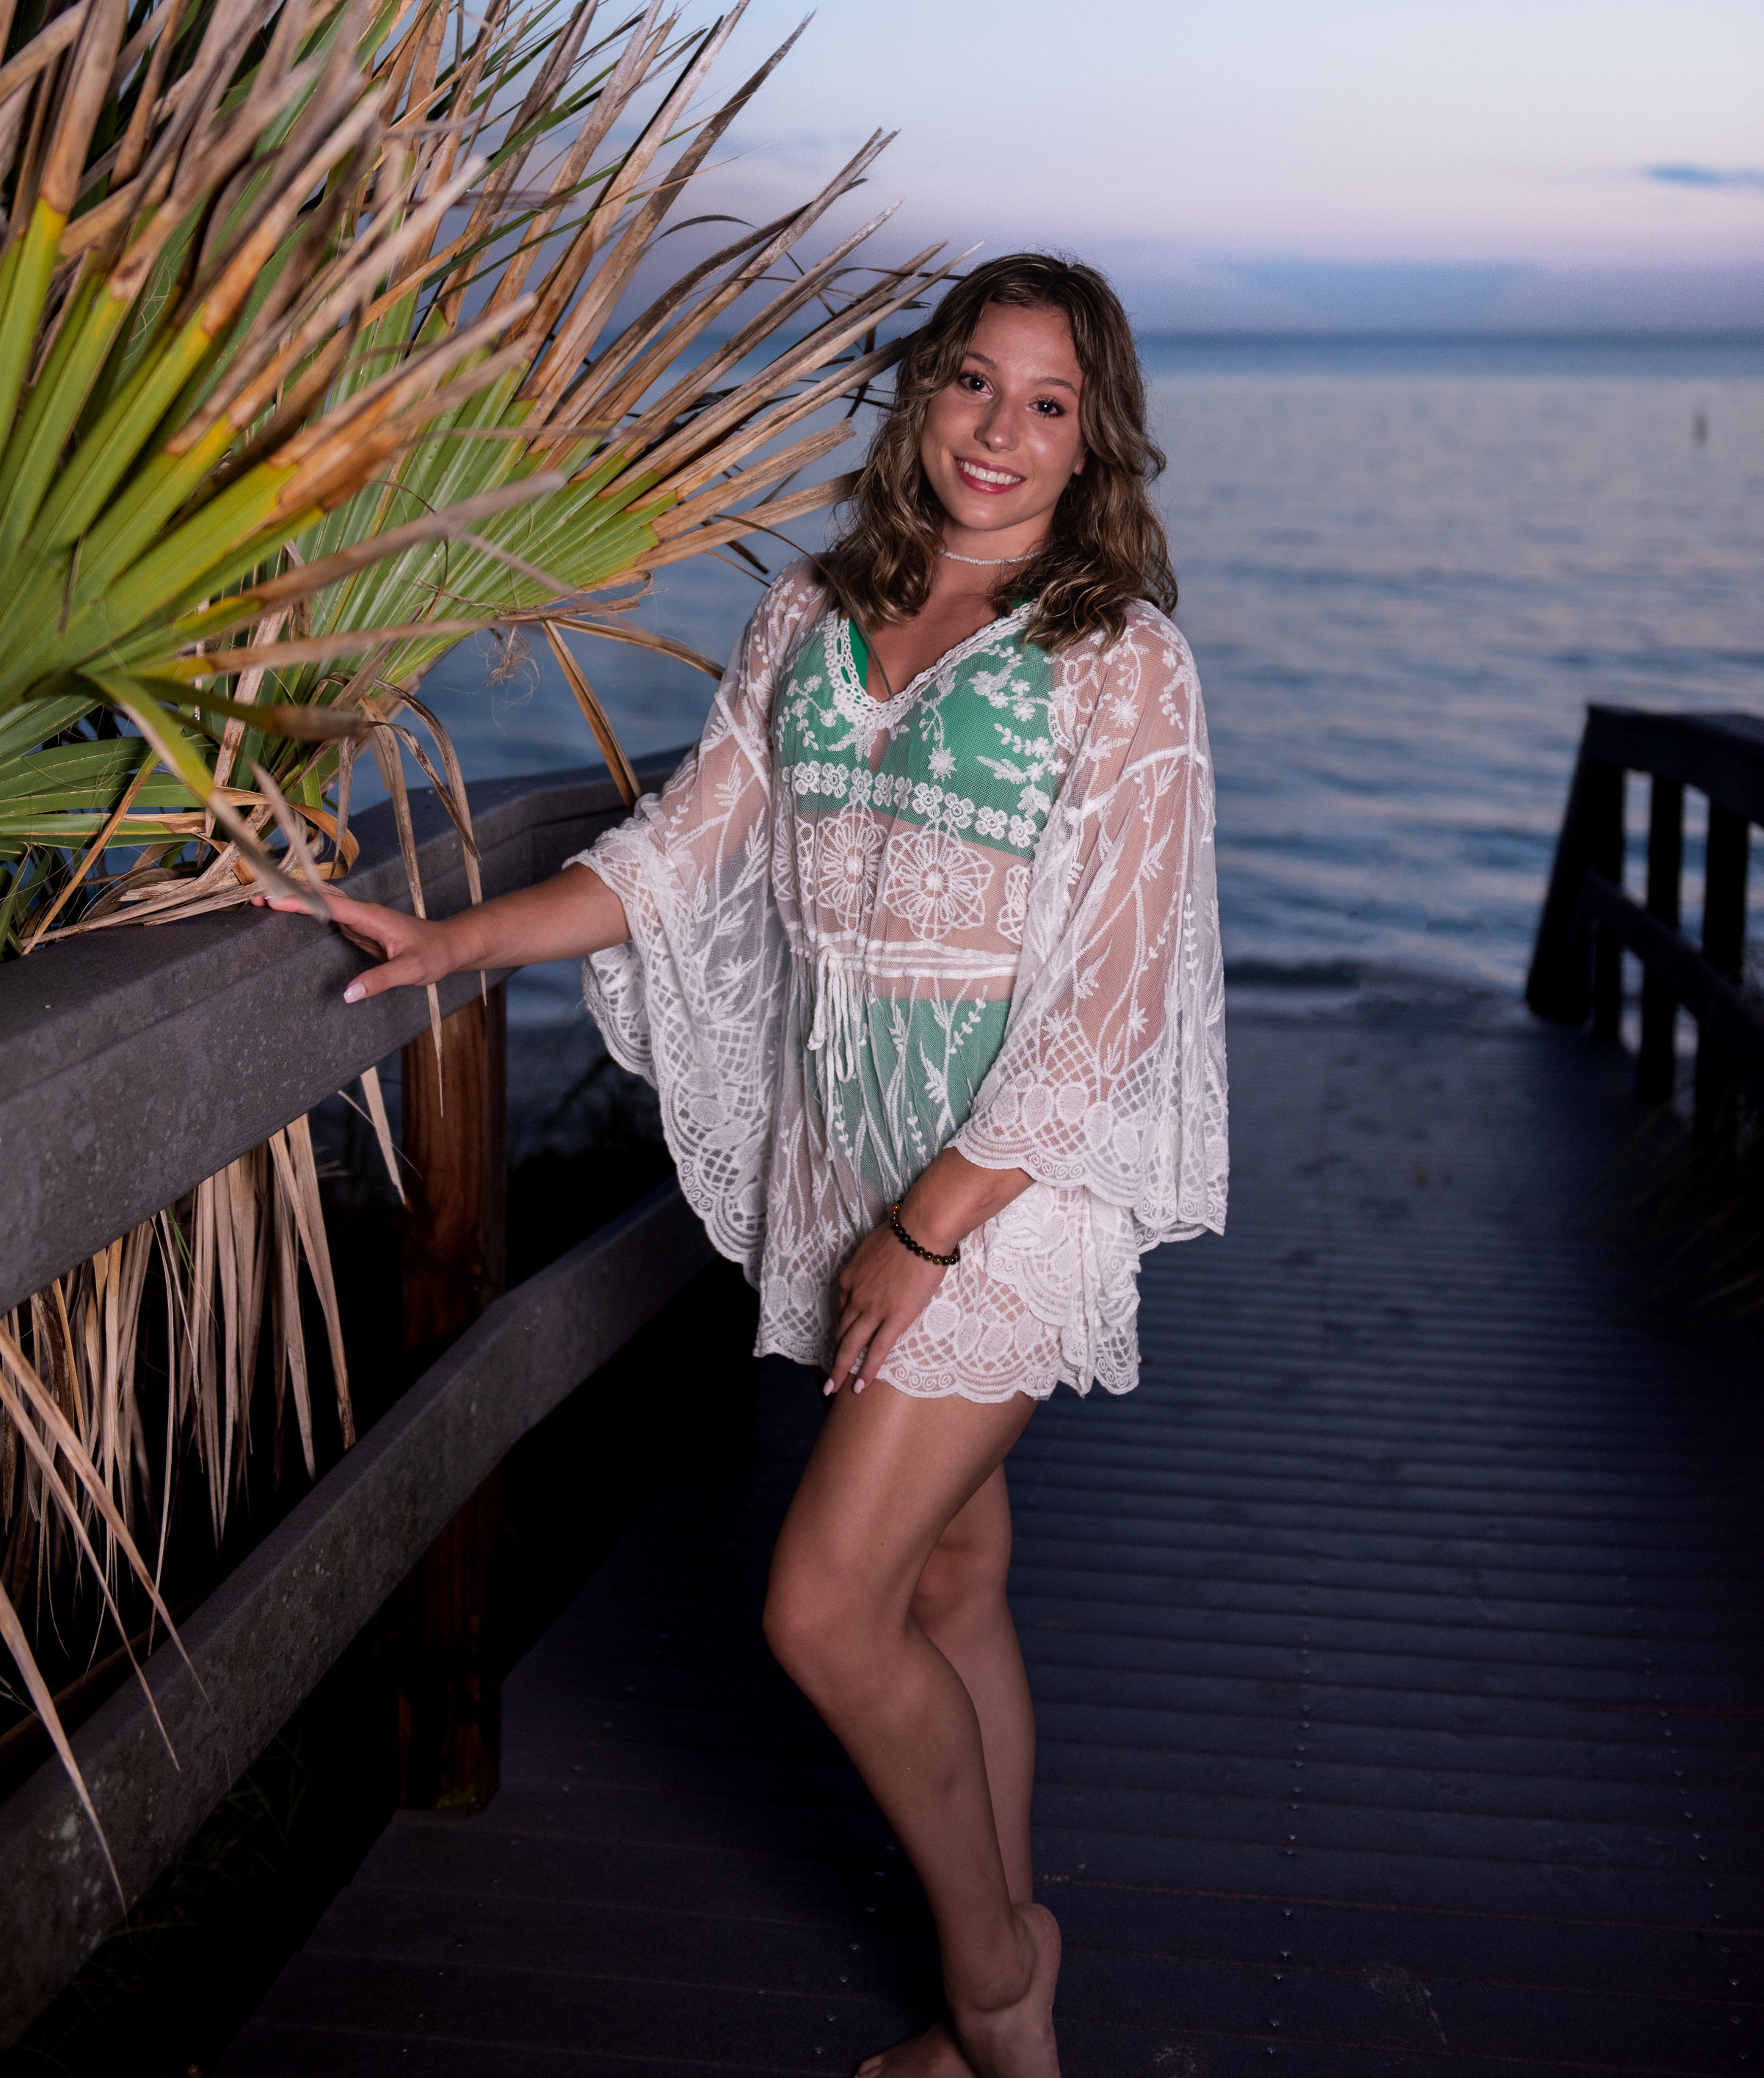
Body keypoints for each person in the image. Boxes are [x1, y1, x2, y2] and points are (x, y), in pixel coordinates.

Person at [288, 254, 1227, 2078]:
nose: (998, 432)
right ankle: (985, 2019)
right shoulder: (809, 612)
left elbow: (1108, 1005)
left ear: (1092, 438)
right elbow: (670, 858)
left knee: (820, 1606)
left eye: (1046, 404)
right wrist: (450, 940)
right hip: (839, 1151)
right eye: (972, 383)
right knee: (947, 1575)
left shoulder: (1117, 659)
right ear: (922, 397)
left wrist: (930, 1232)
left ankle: (998, 1987)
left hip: (999, 1191)